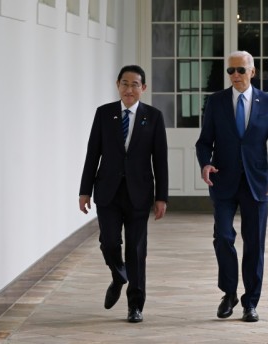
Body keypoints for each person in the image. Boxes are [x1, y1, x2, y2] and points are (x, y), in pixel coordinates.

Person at [195, 51, 268, 322]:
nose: (235, 75)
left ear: (252, 72)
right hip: (223, 181)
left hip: (256, 183)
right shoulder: (216, 102)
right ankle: (229, 293)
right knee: (223, 237)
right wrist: (205, 163)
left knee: (255, 244)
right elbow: (204, 142)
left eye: (240, 70)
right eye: (230, 71)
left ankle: (250, 302)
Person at [79, 65, 168, 323]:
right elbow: (92, 153)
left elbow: (160, 161)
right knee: (109, 242)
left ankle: (135, 305)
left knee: (136, 251)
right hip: (107, 191)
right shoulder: (104, 114)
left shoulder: (153, 116)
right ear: (118, 84)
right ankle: (118, 275)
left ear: (143, 88)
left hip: (139, 194)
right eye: (125, 84)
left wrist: (162, 197)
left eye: (135, 84)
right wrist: (84, 190)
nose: (130, 89)